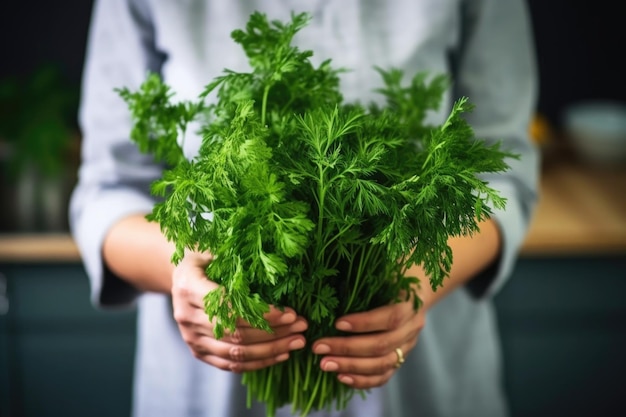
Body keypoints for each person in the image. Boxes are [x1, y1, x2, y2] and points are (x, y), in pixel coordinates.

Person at [69, 1, 539, 416]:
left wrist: (410, 282)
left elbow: (502, 176)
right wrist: (184, 273)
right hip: (208, 390)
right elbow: (108, 192)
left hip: (423, 381)